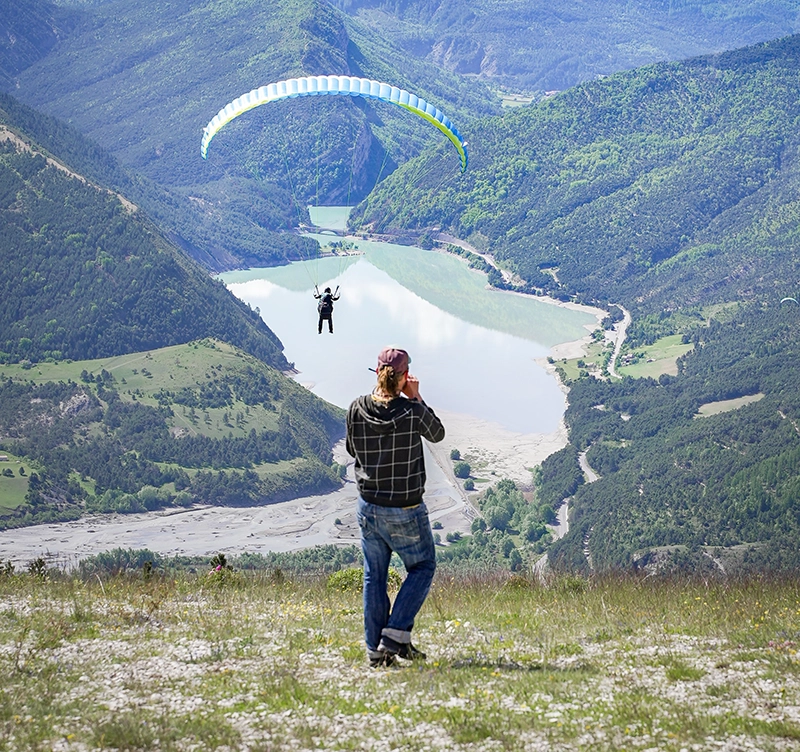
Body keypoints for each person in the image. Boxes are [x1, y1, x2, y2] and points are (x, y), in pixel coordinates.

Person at [346, 346, 445, 667]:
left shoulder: (356, 408)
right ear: (405, 378)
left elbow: (352, 448)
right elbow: (438, 433)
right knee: (422, 567)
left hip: (369, 505)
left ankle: (377, 651)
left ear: (377, 373)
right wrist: (416, 397)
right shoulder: (411, 412)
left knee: (374, 576)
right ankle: (394, 635)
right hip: (405, 508)